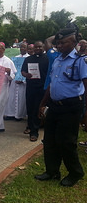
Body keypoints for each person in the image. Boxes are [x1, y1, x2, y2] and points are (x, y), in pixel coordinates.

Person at [35, 23, 86, 187]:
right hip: (54, 105)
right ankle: (52, 171)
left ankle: (75, 173)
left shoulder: (81, 61)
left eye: (64, 43)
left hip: (71, 107)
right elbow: (52, 85)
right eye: (59, 43)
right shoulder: (57, 59)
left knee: (67, 142)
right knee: (49, 140)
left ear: (74, 43)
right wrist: (42, 104)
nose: (59, 45)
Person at [21, 41, 49, 141]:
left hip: (42, 88)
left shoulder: (48, 59)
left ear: (43, 47)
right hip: (30, 87)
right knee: (29, 108)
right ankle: (29, 126)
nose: (38, 49)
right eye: (36, 47)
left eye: (40, 47)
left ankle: (34, 132)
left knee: (37, 109)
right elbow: (23, 71)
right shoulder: (28, 59)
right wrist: (26, 75)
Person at [4, 42, 29, 122]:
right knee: (11, 97)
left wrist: (23, 80)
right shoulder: (15, 58)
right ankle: (10, 114)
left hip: (23, 82)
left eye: (24, 47)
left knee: (21, 98)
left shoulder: (29, 58)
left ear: (27, 49)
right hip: (15, 80)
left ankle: (19, 115)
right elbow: (13, 70)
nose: (22, 49)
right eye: (21, 47)